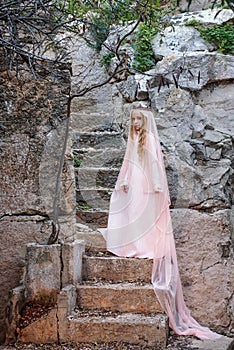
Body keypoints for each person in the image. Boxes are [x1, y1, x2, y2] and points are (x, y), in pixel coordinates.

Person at [101, 105, 221, 340]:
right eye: (133, 119)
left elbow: (155, 163)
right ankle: (131, 243)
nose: (135, 122)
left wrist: (157, 184)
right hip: (134, 181)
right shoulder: (133, 137)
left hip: (147, 182)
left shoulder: (150, 138)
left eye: (138, 119)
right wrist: (124, 179)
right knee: (131, 212)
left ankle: (144, 244)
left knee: (143, 214)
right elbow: (128, 160)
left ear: (145, 121)